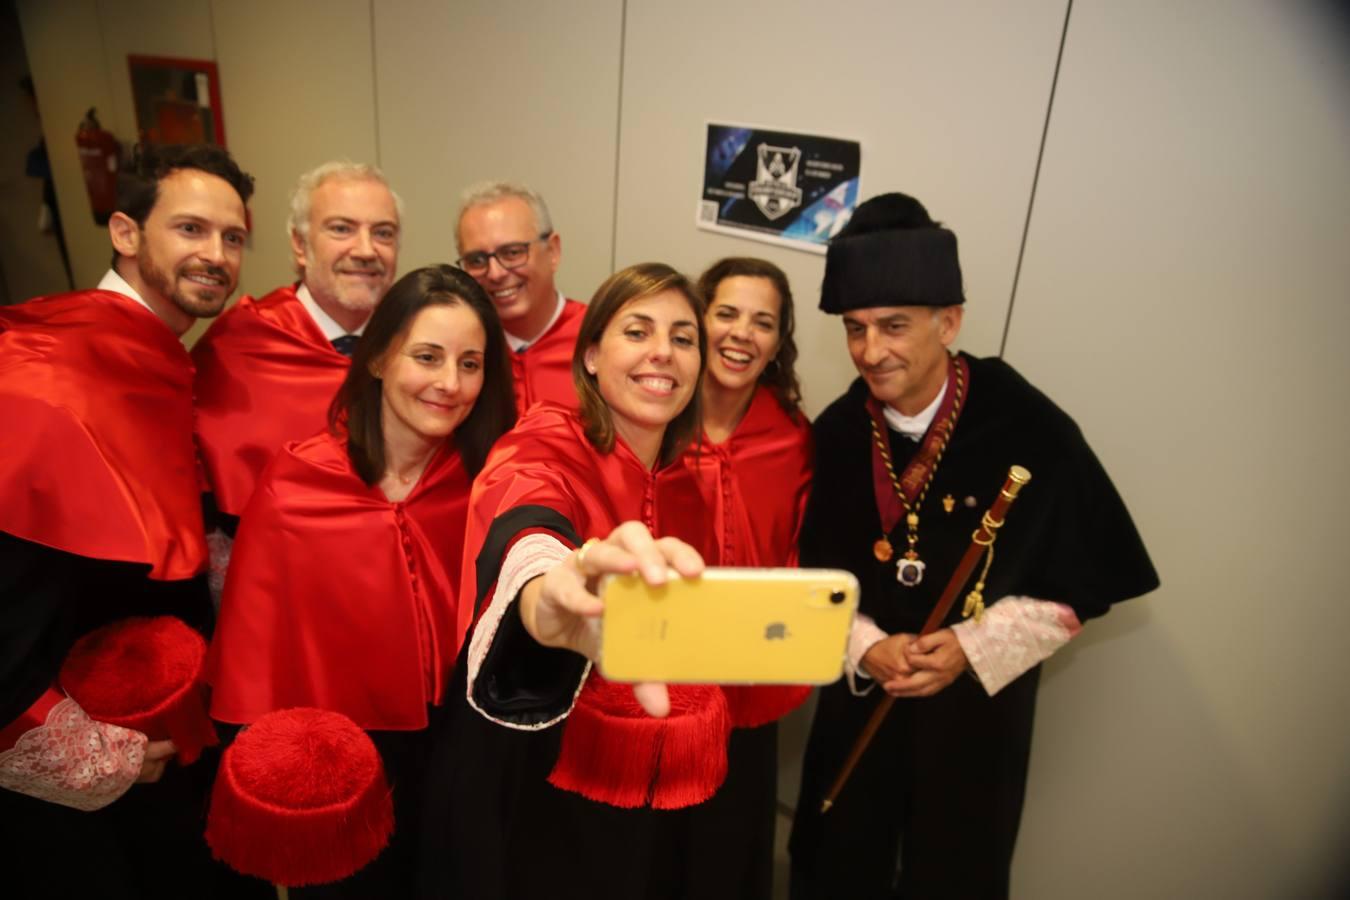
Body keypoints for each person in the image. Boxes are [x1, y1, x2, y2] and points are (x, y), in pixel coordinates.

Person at [787, 193, 1160, 900]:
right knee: (837, 863)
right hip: (862, 705)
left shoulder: (1030, 427)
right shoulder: (837, 432)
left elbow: (1084, 586)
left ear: (949, 321)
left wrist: (969, 648)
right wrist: (864, 643)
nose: (871, 351)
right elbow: (807, 576)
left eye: (894, 326)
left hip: (975, 723)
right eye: (855, 329)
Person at [422, 262, 766, 900]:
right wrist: (546, 593)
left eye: (683, 337)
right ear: (589, 357)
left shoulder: (698, 477)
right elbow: (526, 522)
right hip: (534, 768)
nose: (663, 351)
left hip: (642, 776)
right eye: (637, 331)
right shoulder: (545, 441)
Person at [207, 264, 515, 896]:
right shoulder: (299, 481)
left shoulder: (492, 482)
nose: (449, 384)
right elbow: (255, 647)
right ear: (376, 359)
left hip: (467, 750)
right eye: (427, 357)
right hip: (347, 762)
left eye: (470, 364)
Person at [0, 143, 257, 897]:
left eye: (233, 237)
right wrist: (91, 754)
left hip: (161, 737)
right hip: (83, 803)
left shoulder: (165, 357)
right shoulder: (46, 374)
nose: (216, 255)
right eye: (190, 229)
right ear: (124, 232)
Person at [682, 257, 814, 899]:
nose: (742, 334)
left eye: (763, 322)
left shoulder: (793, 438)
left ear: (778, 343)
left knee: (730, 849)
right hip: (658, 672)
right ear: (698, 319)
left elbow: (800, 550)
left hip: (750, 678)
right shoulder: (655, 421)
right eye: (726, 314)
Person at [192, 160, 402, 545]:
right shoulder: (239, 343)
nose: (367, 250)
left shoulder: (417, 341)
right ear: (300, 245)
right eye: (341, 229)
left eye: (384, 233)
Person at [455, 181, 585, 413]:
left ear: (553, 251)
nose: (495, 273)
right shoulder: (459, 350)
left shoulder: (599, 341)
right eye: (476, 260)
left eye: (513, 252)